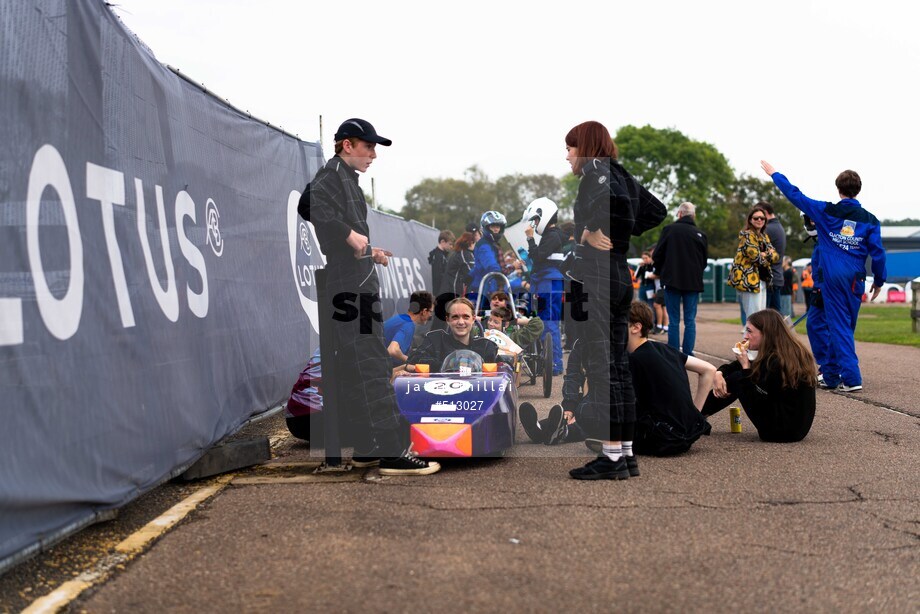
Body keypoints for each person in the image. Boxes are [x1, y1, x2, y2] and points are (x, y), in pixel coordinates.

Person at [297, 117, 438, 475]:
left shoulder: (345, 179)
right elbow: (307, 204)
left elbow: (346, 234)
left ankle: (366, 446)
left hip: (355, 279)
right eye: (368, 146)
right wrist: (348, 234)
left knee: (359, 366)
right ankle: (391, 451)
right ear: (348, 145)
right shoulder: (332, 175)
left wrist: (368, 249)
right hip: (349, 285)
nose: (373, 154)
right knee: (372, 365)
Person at [563, 121, 666, 480]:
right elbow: (657, 211)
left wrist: (595, 231)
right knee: (618, 368)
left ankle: (611, 458)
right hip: (620, 275)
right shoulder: (619, 171)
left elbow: (620, 205)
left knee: (603, 367)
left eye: (570, 148)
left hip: (599, 277)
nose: (567, 157)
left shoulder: (596, 171)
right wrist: (620, 233)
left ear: (586, 146)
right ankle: (623, 454)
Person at [761, 161, 887, 392]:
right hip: (856, 278)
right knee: (843, 325)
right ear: (858, 190)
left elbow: (795, 195)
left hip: (833, 276)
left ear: (838, 189)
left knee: (840, 327)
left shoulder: (826, 211)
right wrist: (879, 281)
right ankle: (830, 375)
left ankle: (851, 378)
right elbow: (878, 253)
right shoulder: (871, 220)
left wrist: (775, 174)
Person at [702, 309, 817, 442]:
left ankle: (694, 416)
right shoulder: (788, 352)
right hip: (798, 430)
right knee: (738, 376)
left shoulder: (776, 362)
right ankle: (696, 415)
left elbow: (757, 398)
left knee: (739, 379)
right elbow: (734, 366)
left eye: (750, 331)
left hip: (779, 431)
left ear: (766, 334)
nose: (745, 336)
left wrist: (746, 368)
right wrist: (719, 373)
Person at [624, 301, 713, 455]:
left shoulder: (635, 360)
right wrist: (695, 416)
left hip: (663, 439)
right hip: (688, 434)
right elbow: (709, 370)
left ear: (636, 327)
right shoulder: (665, 349)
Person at [652, 201, 708, 355]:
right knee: (690, 320)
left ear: (680, 214)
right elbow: (704, 261)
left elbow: (657, 255)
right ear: (693, 215)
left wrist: (662, 269)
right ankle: (689, 353)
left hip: (672, 280)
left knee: (674, 320)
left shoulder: (669, 230)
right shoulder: (701, 235)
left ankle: (673, 352)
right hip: (693, 282)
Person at [522, 197, 566, 374]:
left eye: (536, 220)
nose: (535, 224)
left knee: (548, 324)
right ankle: (549, 361)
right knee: (543, 323)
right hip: (545, 282)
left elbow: (537, 256)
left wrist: (530, 239)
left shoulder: (553, 236)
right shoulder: (552, 235)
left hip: (549, 282)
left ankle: (554, 364)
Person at [406, 297, 498, 370]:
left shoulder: (486, 346)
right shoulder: (435, 340)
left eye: (466, 317)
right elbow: (415, 359)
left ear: (473, 319)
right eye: (455, 317)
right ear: (447, 320)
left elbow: (503, 370)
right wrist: (449, 366)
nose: (461, 322)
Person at [726, 205, 779, 321]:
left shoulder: (764, 236)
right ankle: (748, 339)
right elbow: (756, 258)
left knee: (760, 316)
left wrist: (766, 254)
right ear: (750, 220)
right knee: (752, 317)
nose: (759, 220)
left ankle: (756, 339)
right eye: (756, 218)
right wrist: (767, 254)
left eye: (762, 218)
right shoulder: (747, 235)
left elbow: (776, 257)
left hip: (762, 280)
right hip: (749, 282)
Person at [433, 231, 476, 332]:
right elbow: (471, 272)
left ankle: (431, 344)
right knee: (445, 322)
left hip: (446, 290)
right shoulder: (465, 254)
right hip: (451, 292)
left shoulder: (456, 253)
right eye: (474, 243)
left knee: (440, 321)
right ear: (470, 243)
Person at [382, 291, 434, 366]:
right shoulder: (408, 325)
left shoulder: (400, 319)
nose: (431, 315)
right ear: (424, 311)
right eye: (430, 312)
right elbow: (392, 350)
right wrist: (410, 361)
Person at [468, 211, 507, 308]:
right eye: (493, 226)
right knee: (486, 318)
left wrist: (469, 276)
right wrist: (512, 267)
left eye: (498, 226)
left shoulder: (490, 243)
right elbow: (492, 267)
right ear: (486, 227)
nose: (496, 229)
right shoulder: (484, 244)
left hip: (488, 286)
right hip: (486, 288)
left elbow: (478, 267)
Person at [760, 201, 787, 312]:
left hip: (769, 279)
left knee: (765, 318)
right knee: (775, 316)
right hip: (777, 277)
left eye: (760, 216)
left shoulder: (768, 229)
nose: (759, 220)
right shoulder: (778, 227)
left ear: (765, 213)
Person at [427, 230, 454, 301]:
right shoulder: (438, 256)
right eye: (450, 244)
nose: (451, 247)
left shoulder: (443, 255)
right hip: (440, 293)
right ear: (442, 242)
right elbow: (438, 277)